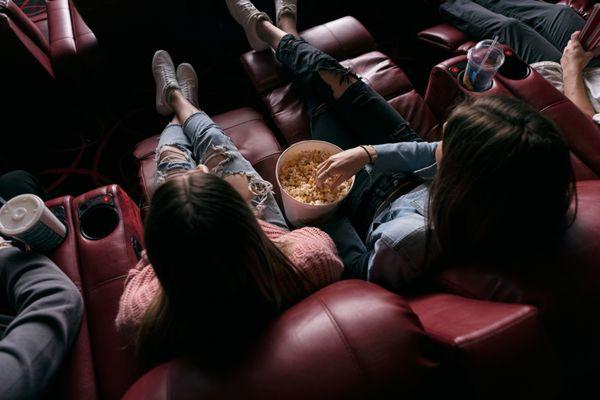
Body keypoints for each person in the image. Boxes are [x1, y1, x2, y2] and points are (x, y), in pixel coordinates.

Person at [225, 0, 576, 292]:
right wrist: (370, 153)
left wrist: (326, 210)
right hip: (404, 155)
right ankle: (277, 31)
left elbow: (360, 269)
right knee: (337, 79)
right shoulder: (505, 179)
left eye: (452, 139)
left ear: (466, 175)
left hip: (368, 200)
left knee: (322, 102)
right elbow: (432, 153)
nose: (447, 126)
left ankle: (276, 31)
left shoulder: (403, 244)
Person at [115, 53, 344, 366]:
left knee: (171, 160)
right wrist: (252, 220)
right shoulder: (309, 260)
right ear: (244, 218)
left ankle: (174, 102)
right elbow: (315, 236)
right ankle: (184, 104)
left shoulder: (140, 316)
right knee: (215, 144)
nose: (201, 173)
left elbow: (142, 273)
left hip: (202, 243)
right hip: (258, 242)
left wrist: (167, 235)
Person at [439, 0, 600, 124]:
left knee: (511, 28)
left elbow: (587, 123)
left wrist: (571, 68)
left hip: (575, 86)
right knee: (562, 12)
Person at [0, 170, 83, 400]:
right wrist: (4, 251)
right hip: (21, 302)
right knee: (17, 184)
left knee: (11, 182)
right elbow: (58, 299)